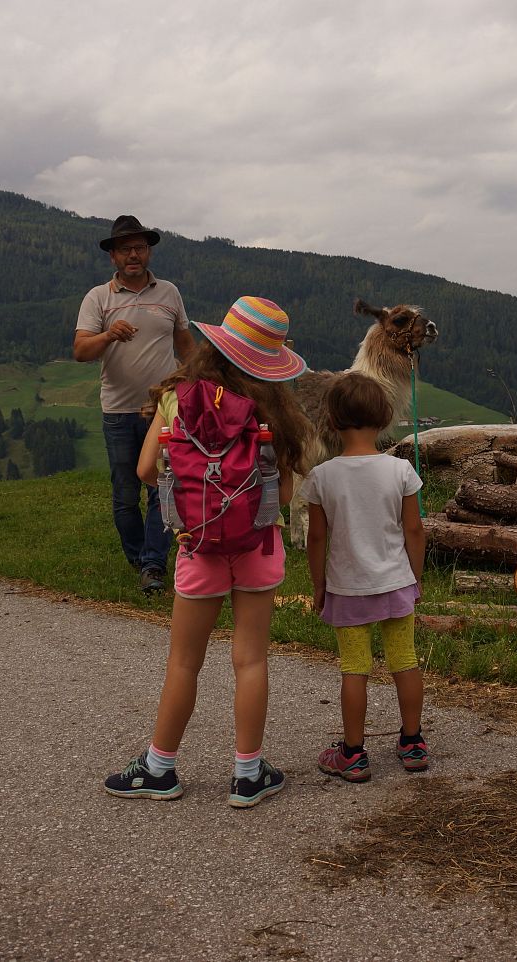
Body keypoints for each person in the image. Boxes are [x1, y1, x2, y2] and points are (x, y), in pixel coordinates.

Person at [103, 296, 312, 809]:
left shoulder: (178, 395)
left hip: (197, 546)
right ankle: (247, 774)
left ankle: (159, 768)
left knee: (184, 662)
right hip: (258, 546)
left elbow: (146, 470)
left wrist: (194, 493)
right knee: (250, 660)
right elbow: (282, 495)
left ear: (217, 344)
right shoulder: (275, 409)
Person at [300, 373, 428, 783]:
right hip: (395, 582)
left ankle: (353, 755)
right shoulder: (400, 470)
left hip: (348, 587)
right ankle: (412, 743)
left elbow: (317, 536)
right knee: (404, 661)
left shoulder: (322, 476)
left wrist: (319, 583)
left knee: (354, 668)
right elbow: (414, 530)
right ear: (384, 418)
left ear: (332, 422)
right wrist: (416, 577)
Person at [74, 215, 193, 593]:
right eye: (125, 249)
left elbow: (185, 344)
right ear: (113, 257)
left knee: (162, 486)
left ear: (149, 251)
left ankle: (154, 566)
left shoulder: (169, 293)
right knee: (125, 495)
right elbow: (80, 351)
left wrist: (199, 380)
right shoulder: (99, 298)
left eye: (139, 247)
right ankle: (139, 557)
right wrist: (109, 334)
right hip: (119, 412)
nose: (133, 255)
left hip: (162, 409)